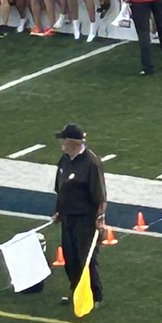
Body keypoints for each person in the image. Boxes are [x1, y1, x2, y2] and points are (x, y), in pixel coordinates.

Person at [52, 123, 106, 310]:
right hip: (68, 217)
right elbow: (61, 189)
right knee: (70, 257)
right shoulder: (65, 160)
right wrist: (59, 212)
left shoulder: (91, 163)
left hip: (85, 219)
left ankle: (95, 295)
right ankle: (76, 291)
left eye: (64, 140)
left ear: (72, 142)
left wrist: (100, 221)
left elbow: (100, 196)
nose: (61, 143)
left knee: (87, 258)